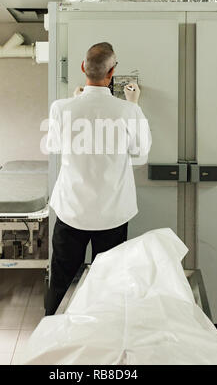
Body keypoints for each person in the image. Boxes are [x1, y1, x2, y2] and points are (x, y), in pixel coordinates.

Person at [45, 42, 152, 314]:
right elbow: (140, 153)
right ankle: (105, 337)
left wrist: (75, 100)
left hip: (72, 211)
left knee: (60, 280)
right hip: (112, 214)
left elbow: (54, 146)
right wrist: (134, 105)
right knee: (111, 282)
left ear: (83, 68)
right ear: (112, 72)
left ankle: (52, 335)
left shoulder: (61, 108)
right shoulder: (129, 112)